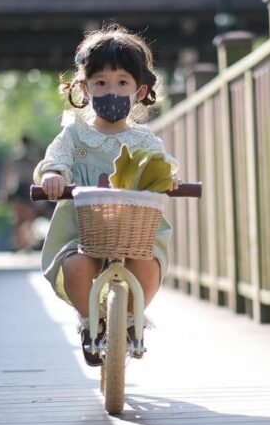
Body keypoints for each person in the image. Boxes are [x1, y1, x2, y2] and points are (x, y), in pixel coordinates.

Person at [34, 23, 179, 367]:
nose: (110, 90)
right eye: (100, 83)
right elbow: (53, 161)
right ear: (85, 88)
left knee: (147, 265)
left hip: (134, 231)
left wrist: (170, 179)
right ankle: (90, 324)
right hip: (83, 230)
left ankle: (130, 321)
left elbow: (163, 166)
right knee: (76, 266)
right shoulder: (75, 135)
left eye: (122, 83)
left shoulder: (144, 140)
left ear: (139, 91)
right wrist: (54, 176)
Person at [0, 135, 46, 252]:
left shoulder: (30, 159)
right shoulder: (18, 160)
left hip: (26, 190)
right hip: (22, 190)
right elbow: (8, 175)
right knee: (20, 219)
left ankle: (22, 242)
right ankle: (20, 243)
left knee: (24, 219)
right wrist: (4, 190)